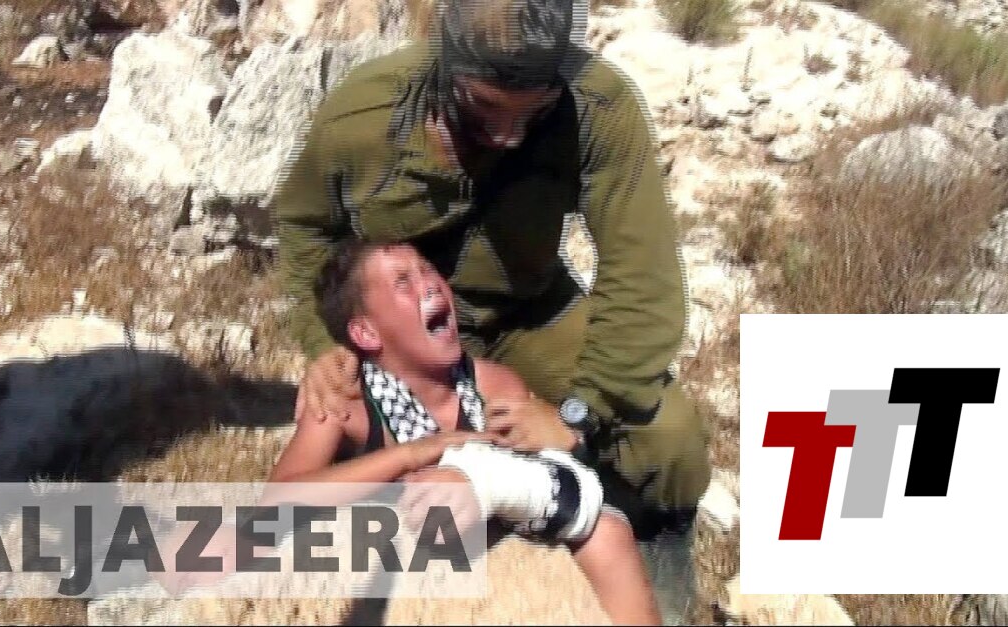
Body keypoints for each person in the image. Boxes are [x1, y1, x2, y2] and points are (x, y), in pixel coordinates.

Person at [271, 0, 711, 622]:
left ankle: (651, 563)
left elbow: (643, 281)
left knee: (668, 440)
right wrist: (324, 345)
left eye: (533, 112)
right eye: (484, 110)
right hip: (409, 338)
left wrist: (576, 416)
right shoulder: (365, 113)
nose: (508, 135)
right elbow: (303, 227)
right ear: (448, 70)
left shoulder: (599, 108)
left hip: (530, 314)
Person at [272, 239, 663, 625]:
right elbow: (276, 504)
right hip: (389, 557)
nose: (429, 284)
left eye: (428, 270)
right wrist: (413, 454)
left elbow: (545, 489)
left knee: (607, 532)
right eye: (403, 282)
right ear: (367, 334)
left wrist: (549, 447)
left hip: (491, 552)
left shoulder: (493, 386)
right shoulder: (345, 402)